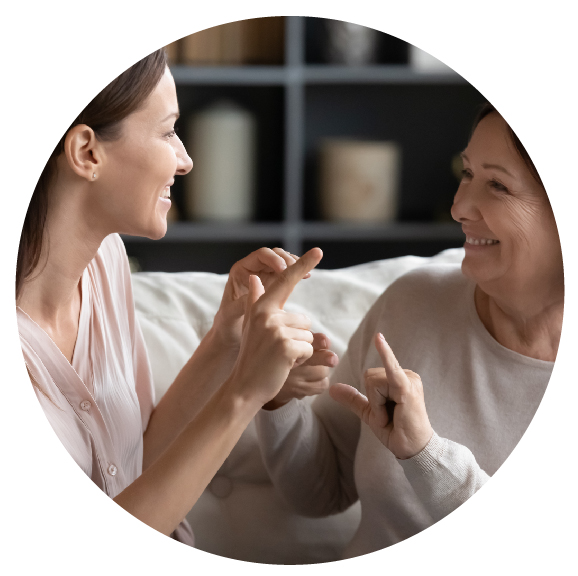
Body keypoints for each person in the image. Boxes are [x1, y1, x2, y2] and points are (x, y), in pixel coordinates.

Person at [16, 49, 336, 544]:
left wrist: (227, 339)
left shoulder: (105, 263)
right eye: (168, 131)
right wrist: (245, 391)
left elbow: (140, 459)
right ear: (87, 152)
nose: (185, 160)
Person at [256, 103, 563, 558]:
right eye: (467, 173)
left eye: (497, 185)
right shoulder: (412, 303)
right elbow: (322, 493)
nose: (459, 207)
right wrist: (277, 398)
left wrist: (425, 455)